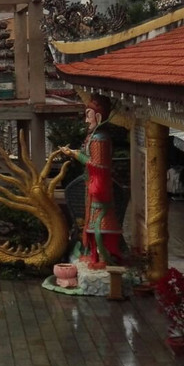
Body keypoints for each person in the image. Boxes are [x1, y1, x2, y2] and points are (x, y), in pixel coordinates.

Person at [60, 94, 125, 266]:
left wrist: (75, 154)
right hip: (92, 183)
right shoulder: (94, 136)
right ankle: (92, 253)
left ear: (98, 116)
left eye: (89, 115)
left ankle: (103, 255)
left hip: (99, 185)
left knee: (99, 221)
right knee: (91, 220)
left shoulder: (99, 139)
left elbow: (97, 164)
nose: (86, 120)